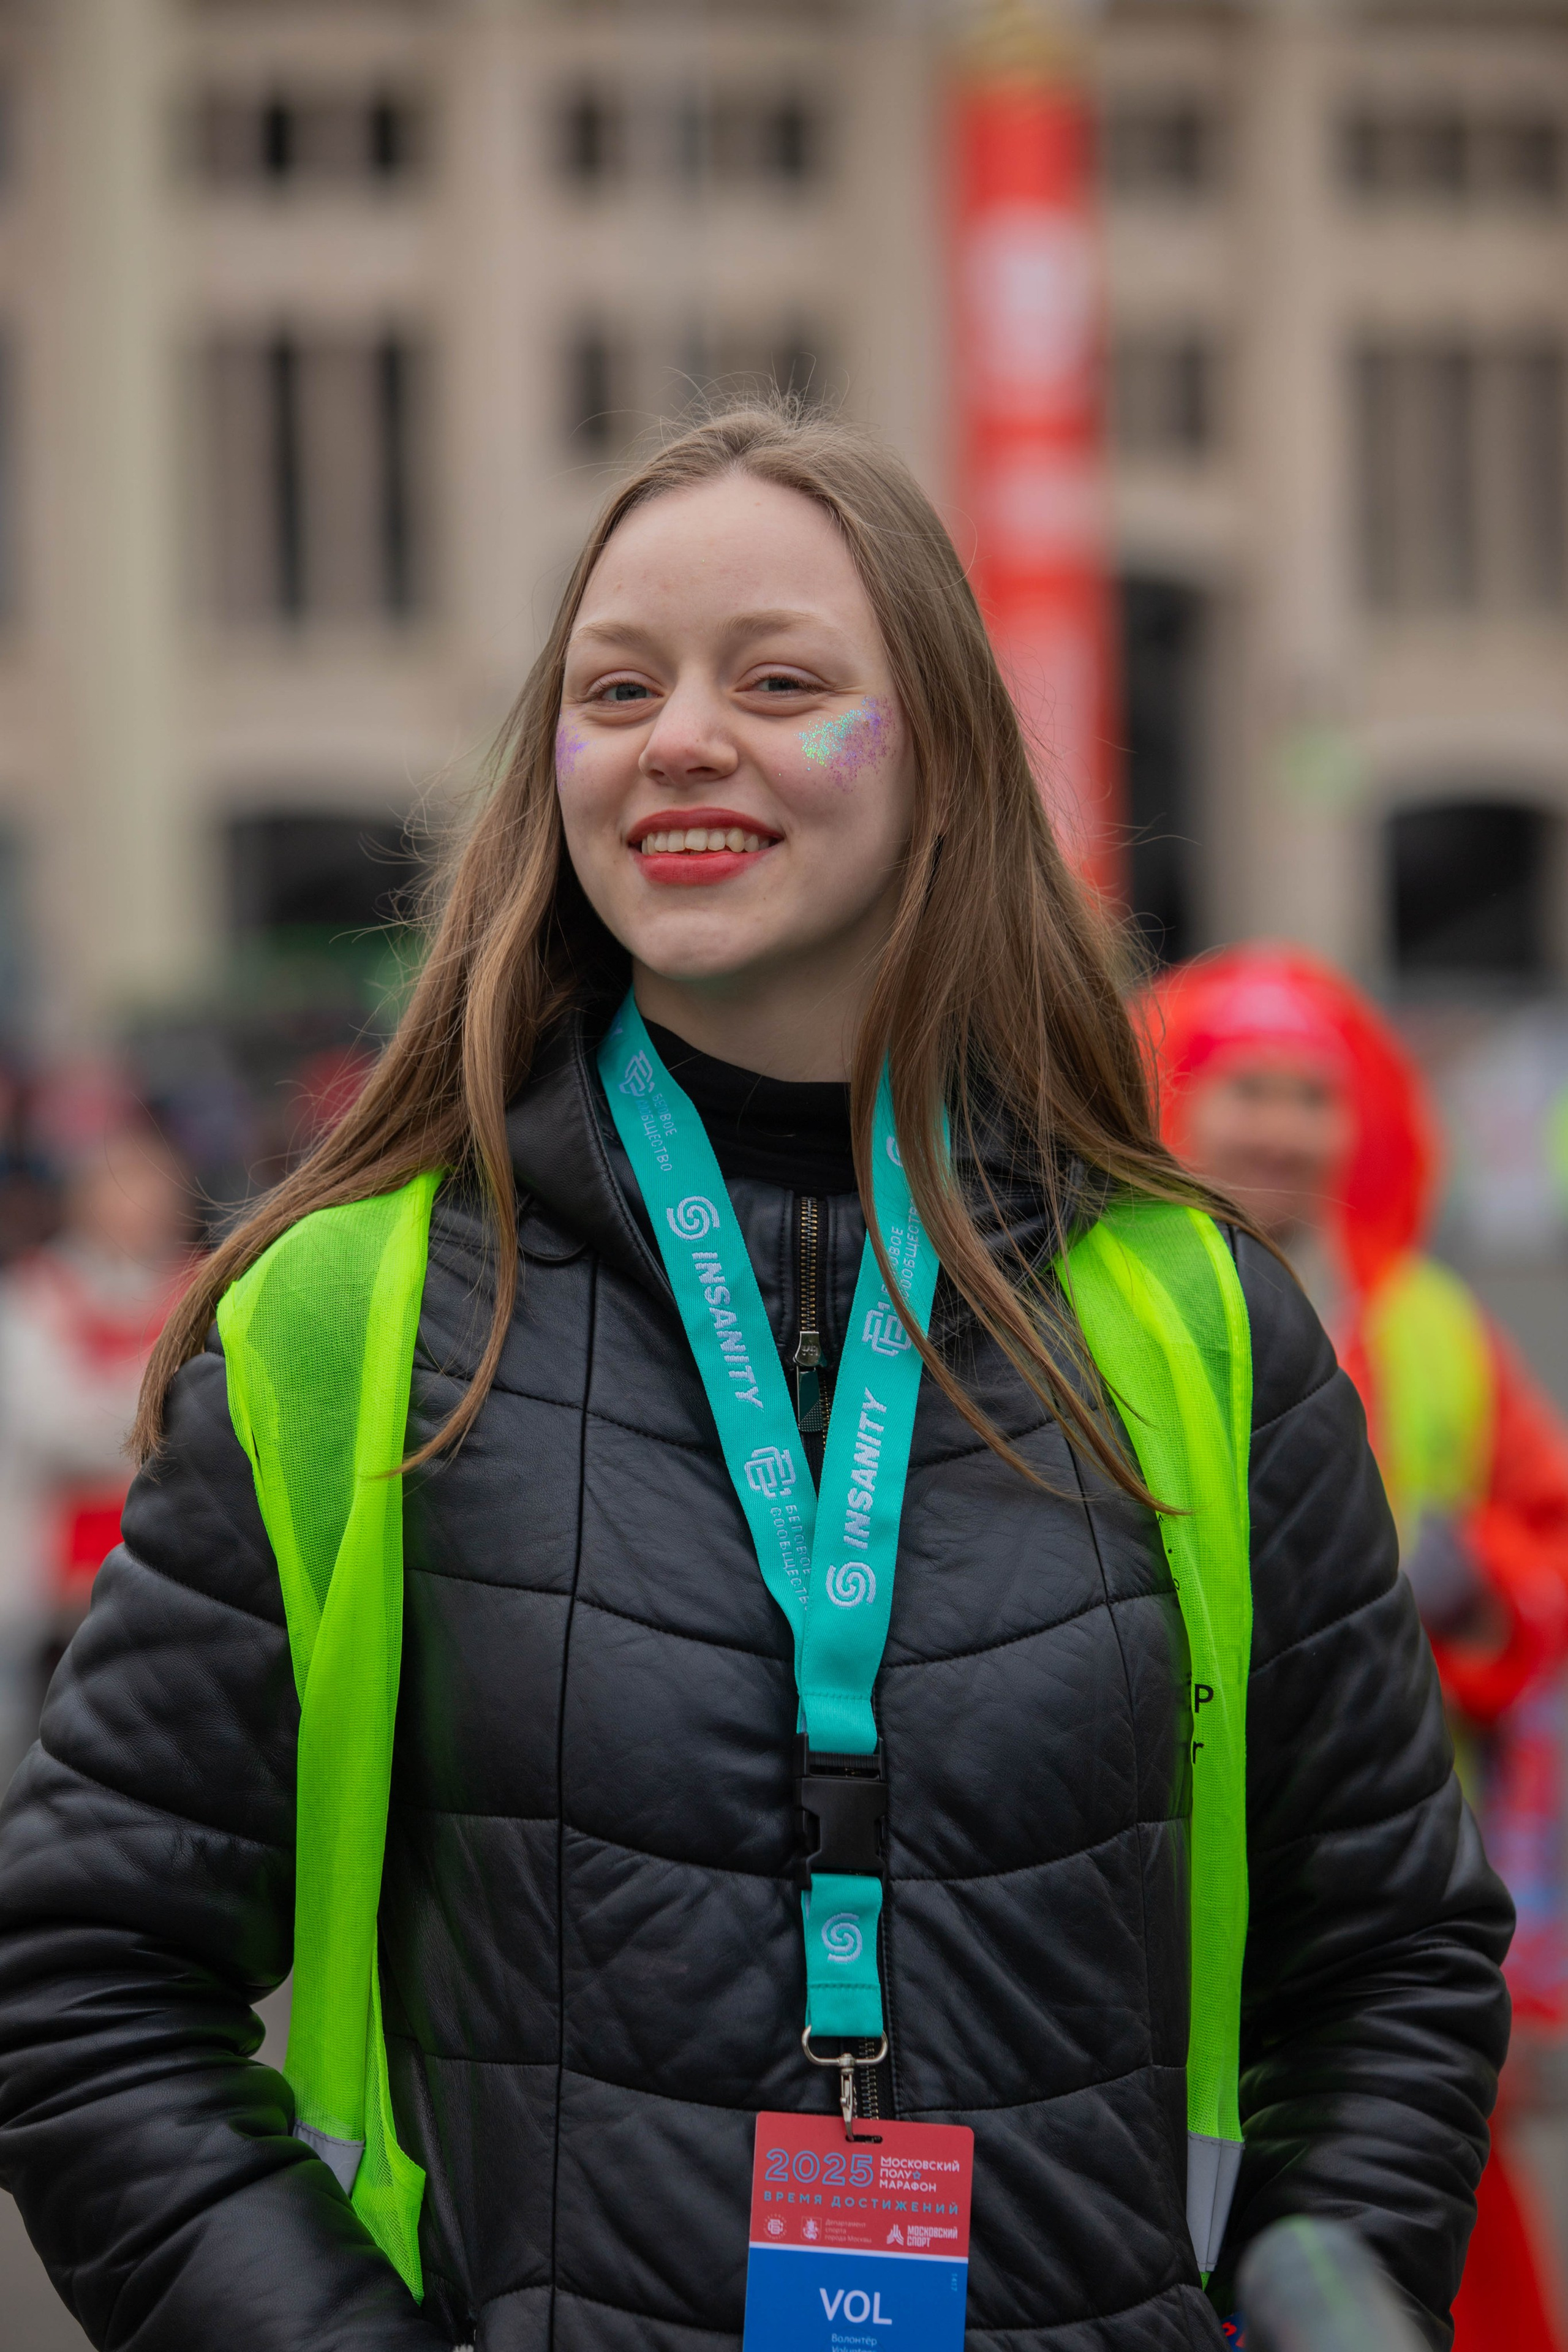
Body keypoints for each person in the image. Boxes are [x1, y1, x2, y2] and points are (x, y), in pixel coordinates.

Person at [0, 408, 1509, 2352]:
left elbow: (1387, 1959)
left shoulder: (1195, 1319)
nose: (680, 738)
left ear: (945, 765)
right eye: (616, 687)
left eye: (779, 682)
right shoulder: (346, 1317)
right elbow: (87, 1979)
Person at [1144, 943, 1568, 2352]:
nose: (1280, 1128)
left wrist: (1474, 1583)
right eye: (1243, 1088)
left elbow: (1549, 1553)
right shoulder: (1086, 1299)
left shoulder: (1435, 1333)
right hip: (1157, 1875)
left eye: (1312, 1094)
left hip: (1384, 1879)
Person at [0, 1107, 192, 1781]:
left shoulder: (201, 1290)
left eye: (149, 1185)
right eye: (118, 1186)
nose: (134, 1205)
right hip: (60, 1580)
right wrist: (151, 1411)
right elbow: (50, 1424)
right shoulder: (38, 1294)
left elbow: (208, 1424)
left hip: (174, 1572)